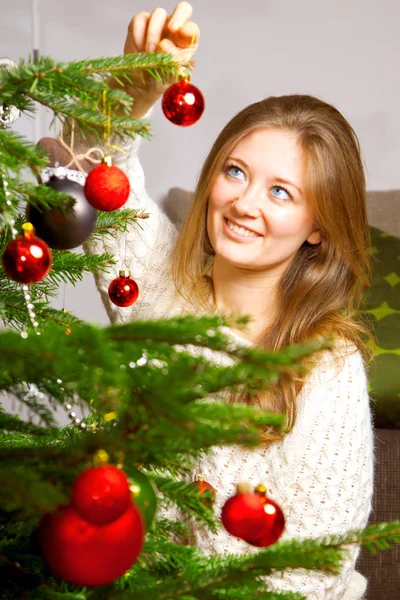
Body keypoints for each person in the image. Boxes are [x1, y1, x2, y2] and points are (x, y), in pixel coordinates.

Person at [39, 4, 374, 598]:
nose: (246, 203)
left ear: (317, 227)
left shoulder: (328, 364)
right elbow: (94, 179)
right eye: (236, 172)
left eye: (281, 191)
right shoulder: (162, 285)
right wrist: (130, 92)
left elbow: (310, 572)